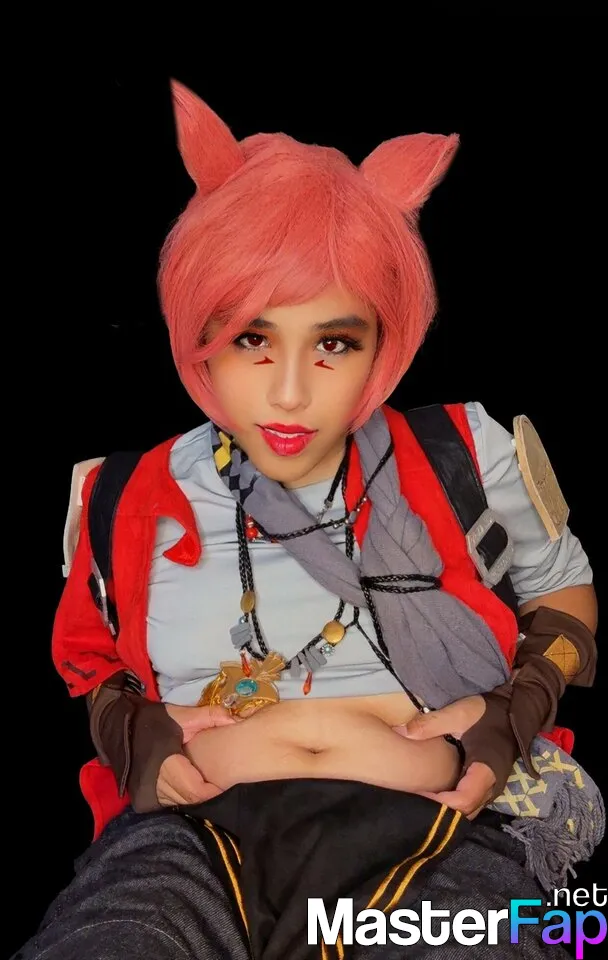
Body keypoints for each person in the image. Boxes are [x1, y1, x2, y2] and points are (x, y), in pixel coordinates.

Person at [16, 79, 602, 960]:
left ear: (383, 342)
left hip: (436, 838)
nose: (290, 393)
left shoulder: (465, 454)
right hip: (190, 846)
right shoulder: (121, 493)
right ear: (199, 331)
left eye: (334, 343)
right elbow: (91, 661)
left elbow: (563, 597)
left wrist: (516, 708)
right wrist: (128, 731)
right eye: (251, 338)